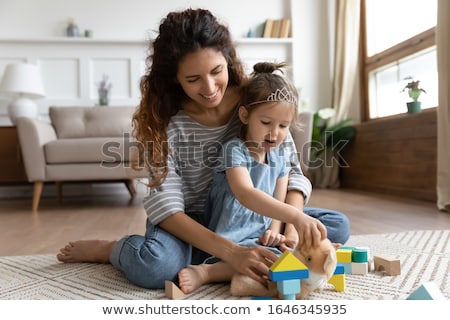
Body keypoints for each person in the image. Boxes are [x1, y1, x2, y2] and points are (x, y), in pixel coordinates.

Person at [56, 8, 350, 289]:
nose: (209, 88)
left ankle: (227, 255)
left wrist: (292, 228)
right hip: (191, 222)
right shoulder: (166, 123)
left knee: (335, 226)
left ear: (228, 60)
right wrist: (234, 253)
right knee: (153, 267)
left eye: (216, 71)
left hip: (252, 219)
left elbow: (291, 173)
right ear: (175, 78)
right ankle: (112, 250)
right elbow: (168, 209)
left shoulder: (256, 101)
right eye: (193, 79)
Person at [178, 61, 303, 294]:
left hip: (260, 229)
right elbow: (245, 193)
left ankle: (248, 273)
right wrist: (296, 218)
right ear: (245, 115)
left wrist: (276, 231)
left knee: (278, 256)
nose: (274, 133)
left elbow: (280, 197)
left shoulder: (281, 154)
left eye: (284, 126)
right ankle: (206, 272)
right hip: (231, 229)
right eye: (266, 123)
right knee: (236, 255)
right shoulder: (235, 149)